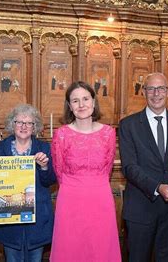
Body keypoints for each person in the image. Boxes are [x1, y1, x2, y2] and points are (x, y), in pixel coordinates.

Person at [119, 72, 168, 261]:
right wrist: (157, 187)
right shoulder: (128, 125)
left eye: (161, 88)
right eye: (151, 88)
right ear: (144, 92)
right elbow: (129, 167)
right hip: (141, 207)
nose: (156, 93)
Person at [50, 81, 121, 261]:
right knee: (70, 250)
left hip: (100, 198)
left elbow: (108, 168)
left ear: (93, 101)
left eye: (85, 99)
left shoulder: (108, 133)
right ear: (69, 106)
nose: (81, 105)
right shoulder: (62, 134)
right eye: (75, 101)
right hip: (70, 200)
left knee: (101, 249)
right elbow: (59, 171)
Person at [0, 104, 56, 262]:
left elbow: (50, 181)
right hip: (9, 221)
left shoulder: (45, 148)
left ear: (35, 127)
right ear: (12, 125)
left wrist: (44, 166)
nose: (24, 126)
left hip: (37, 220)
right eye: (19, 122)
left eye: (29, 123)